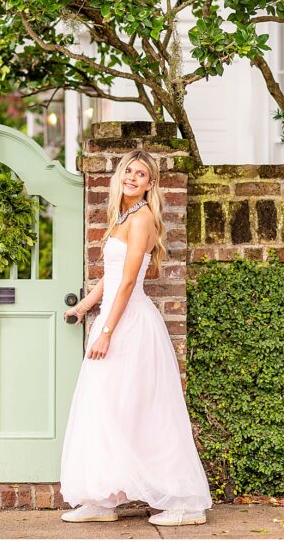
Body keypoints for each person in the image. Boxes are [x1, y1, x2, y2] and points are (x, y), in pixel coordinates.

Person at [59, 150, 212, 527]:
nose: (132, 177)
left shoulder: (142, 218)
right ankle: (103, 498)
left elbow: (128, 283)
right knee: (107, 409)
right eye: (129, 170)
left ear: (150, 183)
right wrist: (84, 308)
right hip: (113, 318)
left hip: (129, 326)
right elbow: (108, 280)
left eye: (141, 173)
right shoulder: (122, 215)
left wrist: (107, 331)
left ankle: (184, 501)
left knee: (144, 412)